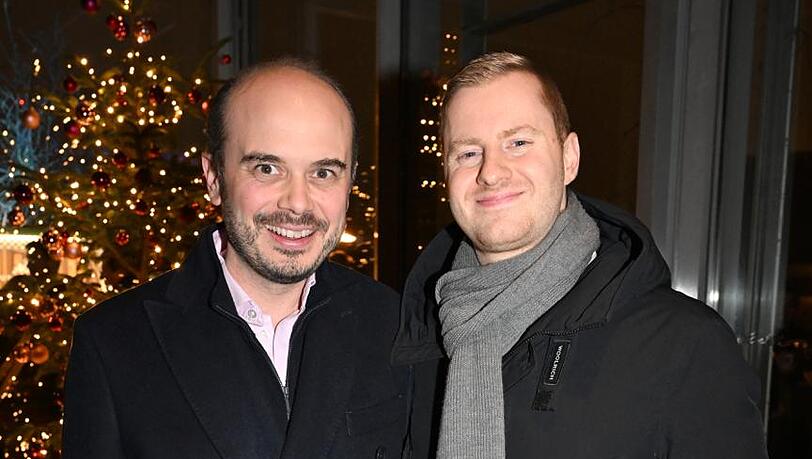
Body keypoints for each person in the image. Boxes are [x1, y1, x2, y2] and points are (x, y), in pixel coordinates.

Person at [392, 52, 768, 459]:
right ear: (446, 172)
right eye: (468, 153)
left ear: (568, 157)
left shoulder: (685, 344)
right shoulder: (422, 342)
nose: (491, 172)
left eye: (518, 143)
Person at [63, 59, 408, 458]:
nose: (297, 203)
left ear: (349, 185)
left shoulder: (392, 322)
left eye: (323, 173)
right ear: (214, 178)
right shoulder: (113, 343)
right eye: (267, 168)